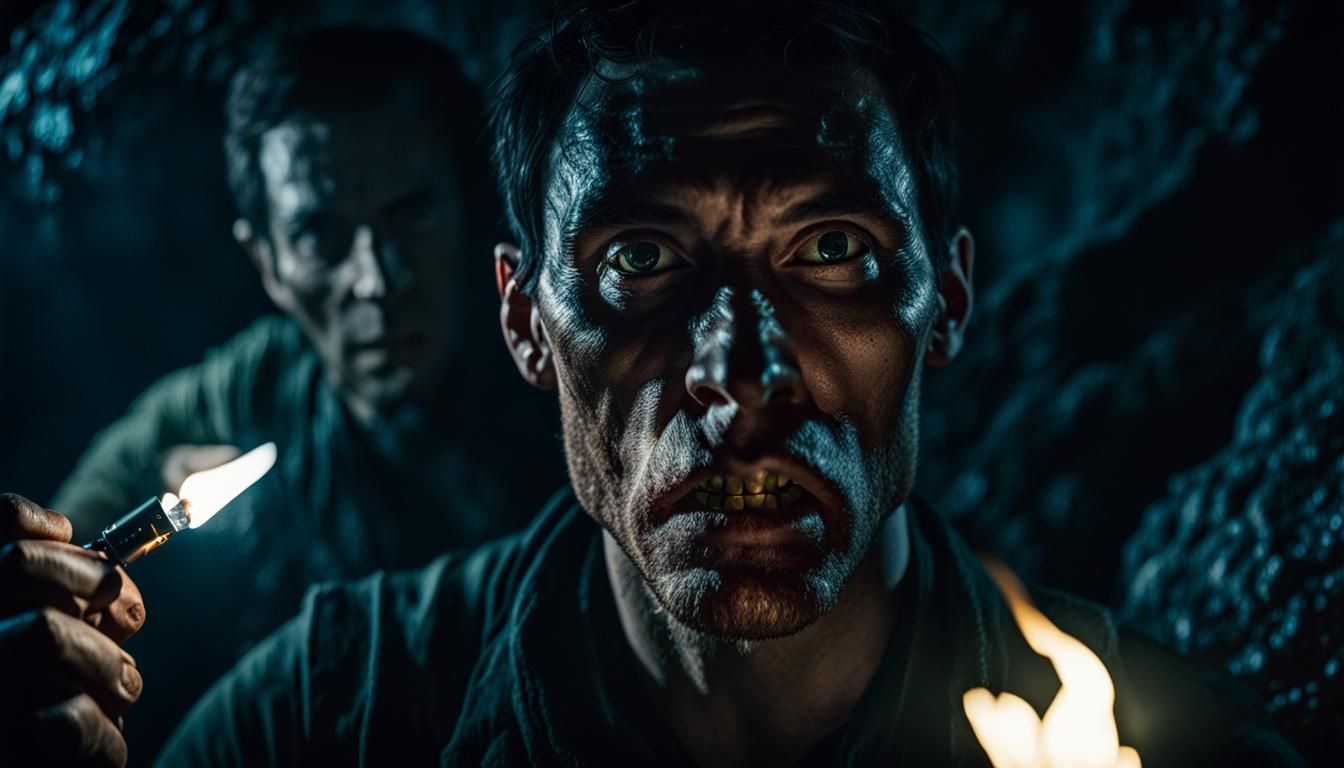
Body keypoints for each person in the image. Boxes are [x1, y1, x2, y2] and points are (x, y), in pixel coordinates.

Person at [0, 3, 1303, 766]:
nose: (739, 378)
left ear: (946, 300)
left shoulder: (1150, 741)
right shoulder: (337, 708)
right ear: (527, 320)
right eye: (642, 259)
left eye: (833, 251)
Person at [37, 26, 565, 760]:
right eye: (320, 235)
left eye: (411, 213)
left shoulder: (574, 366)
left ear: (472, 210)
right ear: (268, 262)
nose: (378, 281)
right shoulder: (246, 394)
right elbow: (62, 549)